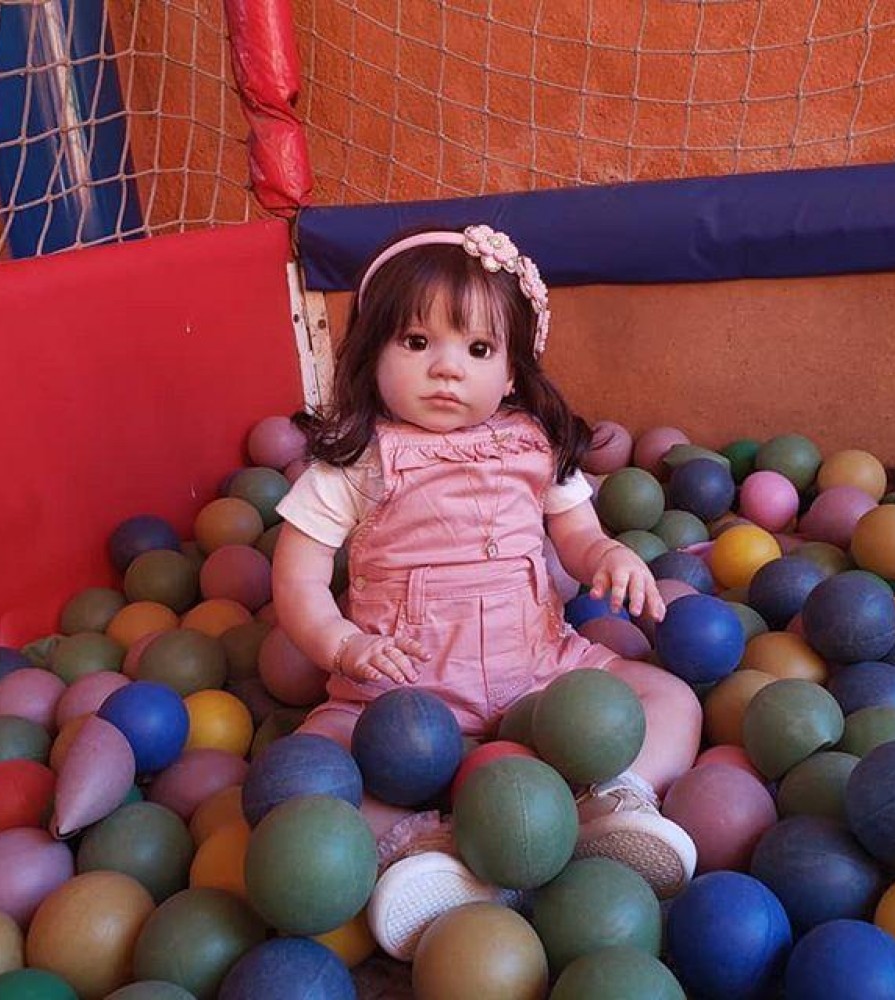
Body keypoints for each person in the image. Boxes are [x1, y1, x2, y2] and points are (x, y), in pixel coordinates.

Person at [273, 223, 703, 960]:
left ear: (510, 373)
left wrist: (609, 555)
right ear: (371, 352)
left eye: (477, 349)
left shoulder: (536, 444)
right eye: (417, 343)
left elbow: (578, 535)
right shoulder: (353, 461)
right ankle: (427, 850)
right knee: (308, 772)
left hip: (540, 673)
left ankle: (614, 801)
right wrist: (343, 644)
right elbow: (298, 577)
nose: (447, 368)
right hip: (400, 695)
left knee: (672, 700)